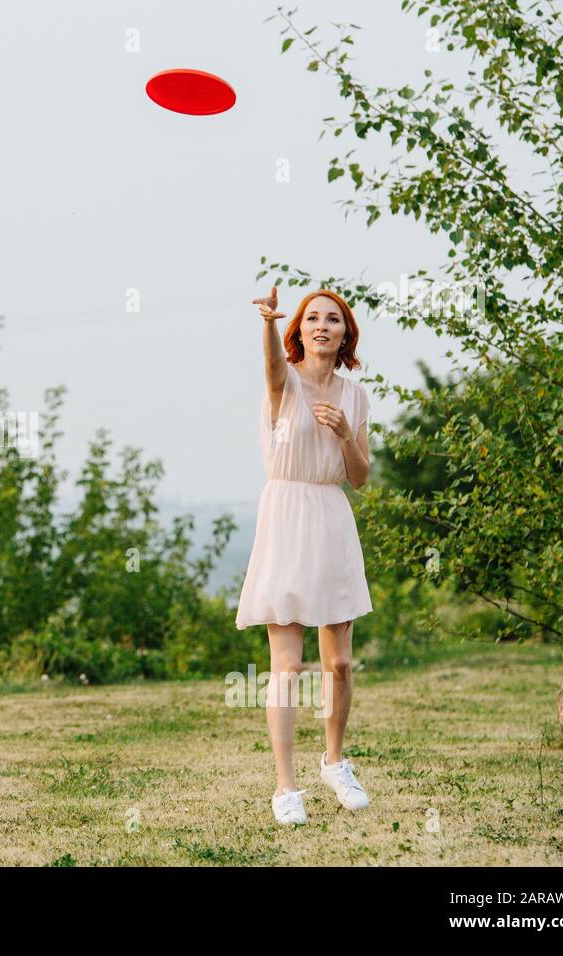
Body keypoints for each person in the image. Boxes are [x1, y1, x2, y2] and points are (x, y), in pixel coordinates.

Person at [235, 286, 373, 825]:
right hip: (286, 519)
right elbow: (272, 364)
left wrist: (344, 435)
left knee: (338, 662)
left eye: (332, 320)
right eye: (311, 318)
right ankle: (285, 788)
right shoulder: (283, 383)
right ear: (299, 331)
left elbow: (360, 478)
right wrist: (267, 322)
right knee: (287, 666)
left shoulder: (356, 397)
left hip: (332, 519)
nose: (321, 325)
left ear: (345, 334)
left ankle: (335, 761)